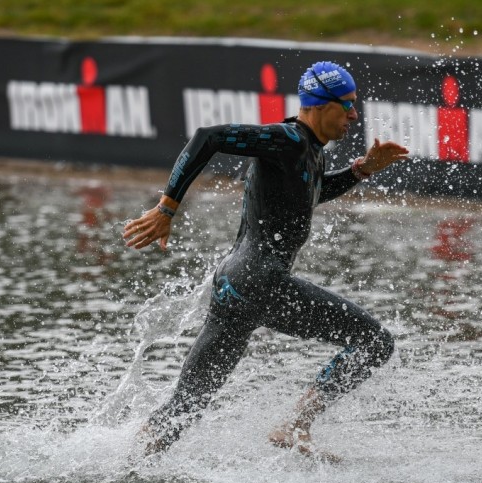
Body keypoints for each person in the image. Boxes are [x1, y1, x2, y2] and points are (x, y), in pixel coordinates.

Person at [123, 61, 409, 458]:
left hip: (233, 286)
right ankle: (296, 424)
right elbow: (209, 137)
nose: (354, 115)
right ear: (321, 105)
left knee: (184, 408)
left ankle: (127, 464)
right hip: (262, 282)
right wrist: (167, 207)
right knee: (374, 342)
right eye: (347, 105)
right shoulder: (288, 139)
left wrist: (360, 171)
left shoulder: (309, 151)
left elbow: (309, 193)